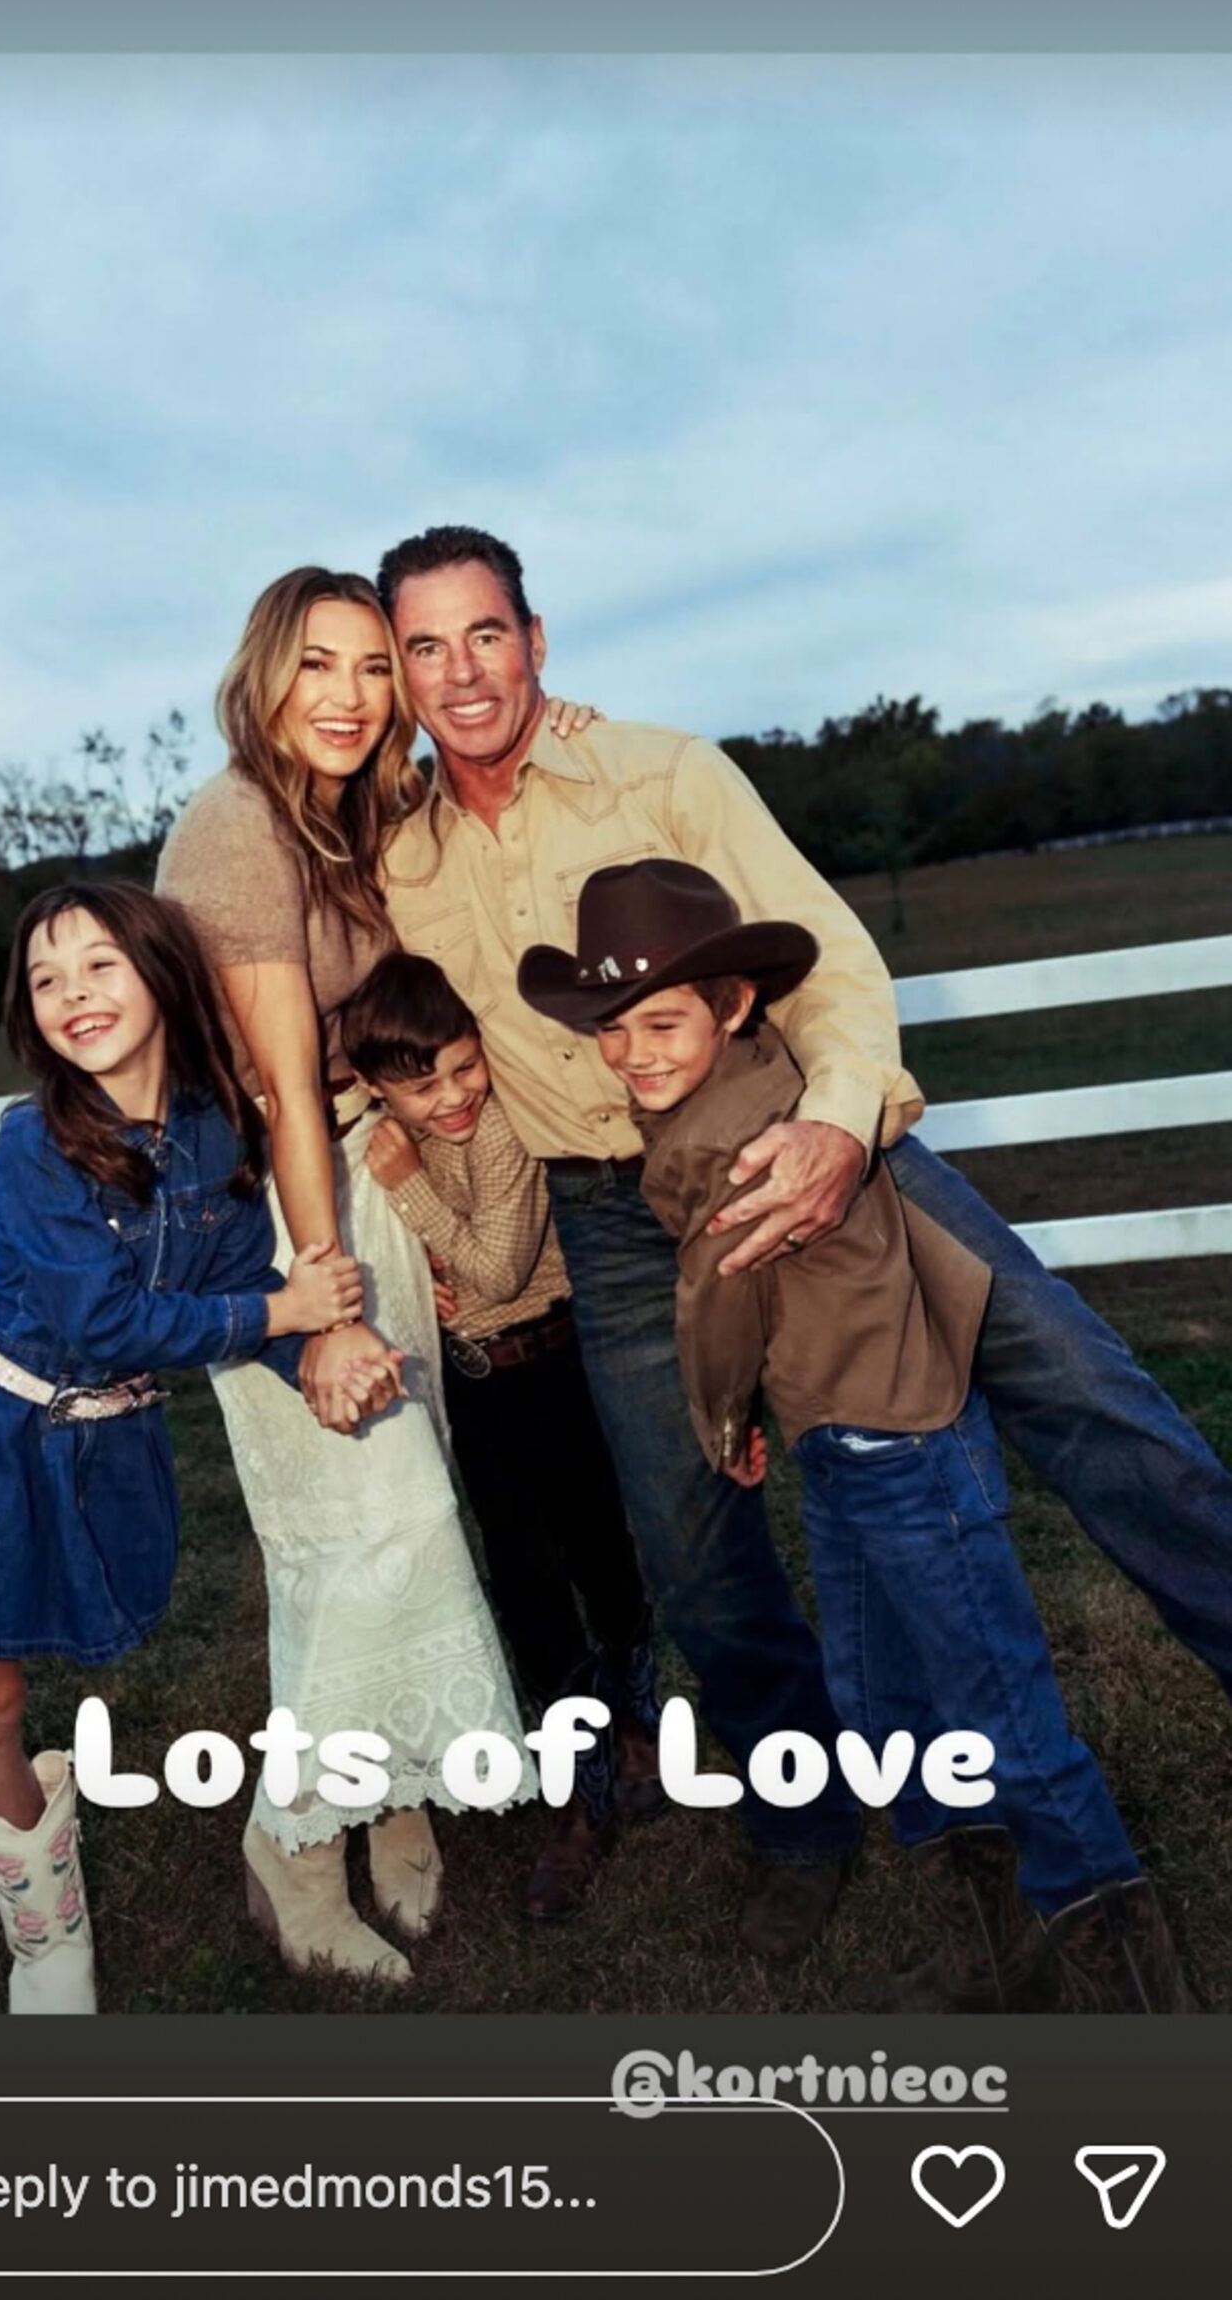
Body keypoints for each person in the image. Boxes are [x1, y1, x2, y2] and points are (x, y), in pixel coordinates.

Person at [376, 521, 1232, 1963]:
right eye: (424, 646)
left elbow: (820, 953)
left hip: (792, 1132)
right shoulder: (396, 860)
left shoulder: (659, 772)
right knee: (690, 1535)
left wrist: (840, 1125)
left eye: (484, 634)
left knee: (1081, 1388)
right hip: (621, 1210)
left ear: (534, 639)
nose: (460, 672)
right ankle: (806, 1817)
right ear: (400, 675)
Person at [519, 859, 1191, 2011]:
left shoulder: (713, 1139)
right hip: (846, 1440)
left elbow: (717, 1302)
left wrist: (722, 1420)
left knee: (997, 1706)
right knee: (889, 1700)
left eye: (662, 1022)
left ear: (733, 1006)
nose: (632, 1053)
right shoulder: (765, 1079)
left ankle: (1125, 1972)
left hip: (902, 1445)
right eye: (613, 1029)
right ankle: (992, 1943)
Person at [0, 880, 362, 2015]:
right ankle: (48, 1947)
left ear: (159, 973)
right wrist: (281, 1318)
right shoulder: (35, 1144)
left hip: (104, 1445)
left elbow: (225, 1283)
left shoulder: (216, 1130)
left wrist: (314, 1350)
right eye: (47, 979)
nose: (74, 994)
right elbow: (95, 1324)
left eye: (99, 965)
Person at [156, 567, 539, 1988]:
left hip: (354, 1193)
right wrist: (320, 1302)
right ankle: (294, 1845)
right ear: (265, 673)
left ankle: (394, 1799)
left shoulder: (347, 822)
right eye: (319, 664)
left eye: (375, 668)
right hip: (269, 1219)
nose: (351, 696)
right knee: (357, 1518)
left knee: (403, 1503)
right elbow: (277, 1089)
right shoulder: (241, 824)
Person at [341, 948, 663, 1921]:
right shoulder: (378, 1120)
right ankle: (577, 1789)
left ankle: (639, 1733)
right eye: (420, 1083)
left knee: (603, 1552)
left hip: (556, 1364)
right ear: (373, 1086)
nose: (452, 1097)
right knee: (524, 1584)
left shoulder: (498, 1132)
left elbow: (494, 1261)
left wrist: (414, 1198)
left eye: (462, 1066)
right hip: (480, 1391)